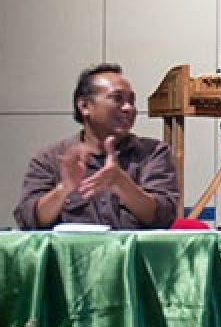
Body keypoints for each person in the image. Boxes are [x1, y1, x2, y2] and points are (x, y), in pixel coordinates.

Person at [15, 63, 179, 230]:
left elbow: (164, 217)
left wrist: (122, 183)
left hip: (134, 255)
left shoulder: (153, 153)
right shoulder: (51, 158)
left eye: (131, 101)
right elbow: (29, 220)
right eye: (117, 98)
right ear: (85, 106)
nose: (128, 108)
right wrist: (63, 189)